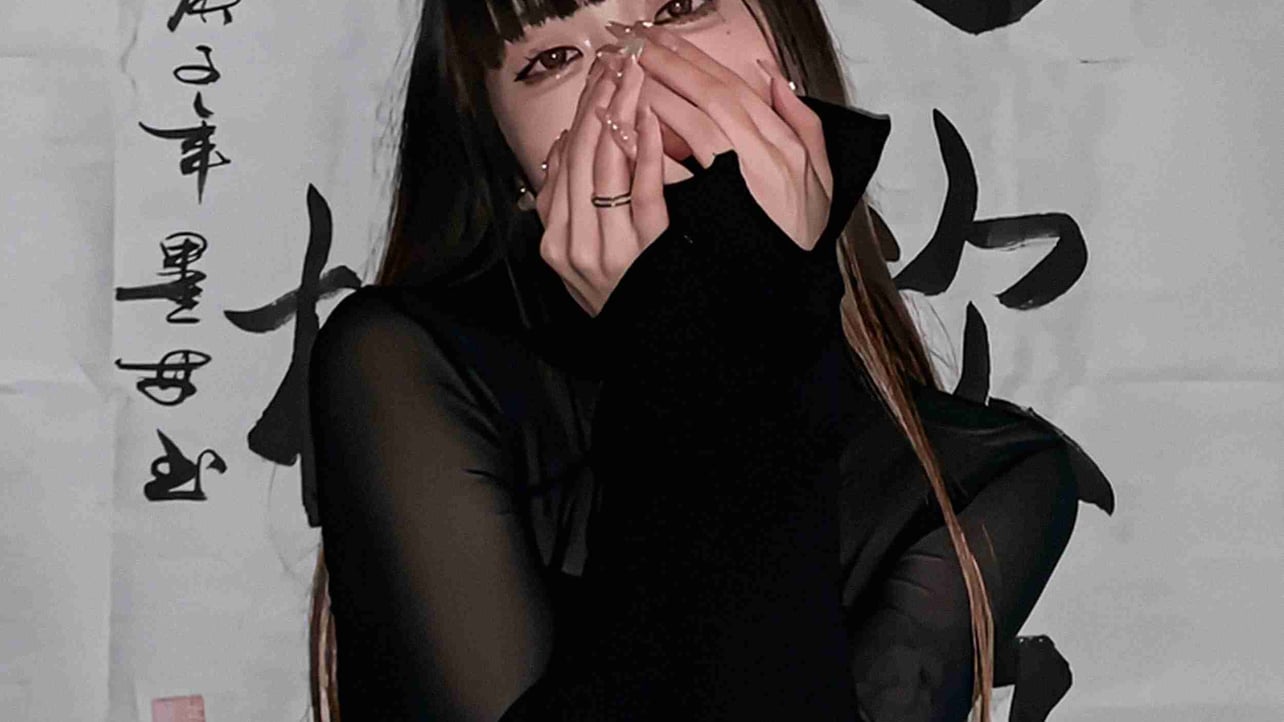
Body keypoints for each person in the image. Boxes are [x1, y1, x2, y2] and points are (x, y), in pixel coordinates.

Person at [304, 1, 1116, 720]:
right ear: (509, 159)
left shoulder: (980, 480)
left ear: (785, 43)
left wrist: (726, 329)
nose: (631, 73)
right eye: (553, 58)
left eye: (679, 9)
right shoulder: (405, 367)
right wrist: (688, 340)